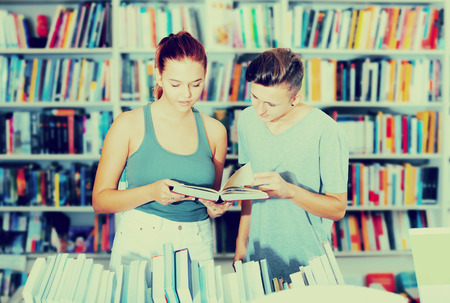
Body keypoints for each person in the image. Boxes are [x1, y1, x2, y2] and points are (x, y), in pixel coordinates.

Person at [92, 31, 229, 271]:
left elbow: (211, 196)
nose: (186, 94)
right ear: (158, 75)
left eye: (195, 84)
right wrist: (151, 192)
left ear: (205, 76)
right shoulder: (128, 124)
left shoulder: (216, 131)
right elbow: (100, 201)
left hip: (196, 241)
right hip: (141, 239)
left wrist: (215, 207)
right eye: (175, 84)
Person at [233, 48, 349, 281]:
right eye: (255, 97)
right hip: (257, 260)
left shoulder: (326, 131)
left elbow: (338, 208)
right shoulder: (246, 120)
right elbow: (248, 190)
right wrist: (241, 242)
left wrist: (289, 191)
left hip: (310, 263)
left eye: (271, 104)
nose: (259, 110)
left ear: (295, 98)